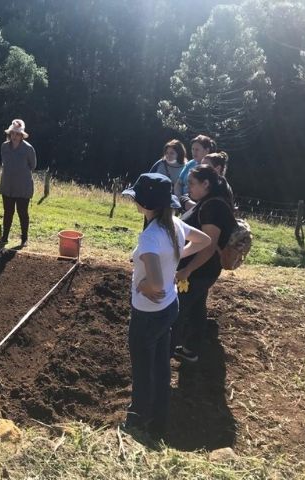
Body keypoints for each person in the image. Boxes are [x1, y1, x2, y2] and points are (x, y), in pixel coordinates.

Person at [121, 173, 210, 439]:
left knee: (142, 367)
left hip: (147, 314)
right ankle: (159, 421)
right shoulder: (173, 223)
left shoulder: (150, 238)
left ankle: (136, 420)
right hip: (170, 309)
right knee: (160, 365)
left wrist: (141, 285)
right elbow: (203, 241)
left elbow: (157, 285)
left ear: (144, 205)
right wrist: (174, 254)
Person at [172, 165, 237, 363]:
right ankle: (191, 349)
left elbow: (208, 246)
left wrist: (186, 269)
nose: (187, 187)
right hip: (204, 271)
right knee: (196, 306)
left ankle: (165, 350)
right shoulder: (210, 203)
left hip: (199, 271)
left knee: (177, 309)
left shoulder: (213, 207)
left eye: (191, 183)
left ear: (206, 184)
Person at [0, 119, 37, 247]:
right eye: (13, 133)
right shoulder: (4, 146)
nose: (15, 136)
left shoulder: (28, 148)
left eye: (18, 134)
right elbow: (4, 162)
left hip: (23, 186)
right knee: (8, 212)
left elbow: (33, 165)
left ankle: (24, 238)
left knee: (22, 213)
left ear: (21, 135)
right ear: (10, 134)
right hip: (7, 185)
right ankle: (4, 237)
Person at [175, 134, 216, 209]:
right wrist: (179, 199)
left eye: (197, 149)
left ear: (207, 150)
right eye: (192, 149)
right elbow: (178, 183)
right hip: (183, 202)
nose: (194, 152)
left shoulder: (211, 167)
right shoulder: (190, 163)